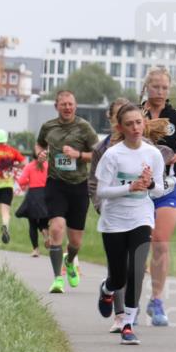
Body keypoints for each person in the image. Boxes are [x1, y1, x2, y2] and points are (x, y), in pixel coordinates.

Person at [95, 104, 166, 346]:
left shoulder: (153, 154)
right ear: (120, 128)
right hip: (114, 221)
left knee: (136, 270)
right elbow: (102, 191)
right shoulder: (112, 155)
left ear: (144, 123)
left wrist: (148, 185)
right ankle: (106, 289)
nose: (135, 128)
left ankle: (127, 324)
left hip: (141, 217)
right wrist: (130, 187)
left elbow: (158, 190)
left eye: (138, 122)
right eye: (129, 124)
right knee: (118, 277)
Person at [140, 65, 176, 325]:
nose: (161, 91)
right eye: (156, 86)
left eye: (165, 87)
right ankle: (122, 295)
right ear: (147, 87)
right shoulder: (135, 114)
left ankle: (156, 300)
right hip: (137, 190)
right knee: (138, 246)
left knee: (161, 243)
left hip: (166, 187)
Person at [36, 90, 99, 293]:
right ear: (57, 106)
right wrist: (41, 154)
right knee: (56, 228)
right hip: (55, 184)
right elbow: (39, 144)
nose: (67, 107)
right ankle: (57, 279)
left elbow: (98, 154)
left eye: (70, 104)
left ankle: (70, 260)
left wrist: (78, 154)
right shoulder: (48, 127)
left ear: (76, 105)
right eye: (63, 104)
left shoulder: (84, 128)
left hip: (79, 186)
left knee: (75, 242)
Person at [0, 129, 26, 247]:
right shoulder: (12, 151)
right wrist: (15, 166)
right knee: (5, 212)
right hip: (7, 185)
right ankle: (5, 226)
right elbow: (23, 163)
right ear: (6, 139)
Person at [16, 151, 50, 258]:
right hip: (46, 194)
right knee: (44, 219)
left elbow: (21, 181)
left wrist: (27, 181)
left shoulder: (29, 166)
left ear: (33, 156)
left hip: (33, 195)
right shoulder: (48, 165)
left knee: (32, 224)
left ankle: (35, 249)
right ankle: (45, 232)